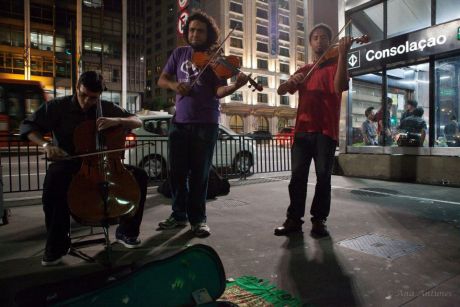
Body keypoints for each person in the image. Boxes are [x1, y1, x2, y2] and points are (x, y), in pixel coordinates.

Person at [20, 71, 148, 266]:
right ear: (77, 88)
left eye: (93, 98)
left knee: (140, 175)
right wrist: (46, 146)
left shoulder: (105, 107)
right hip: (69, 162)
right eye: (83, 95)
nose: (87, 101)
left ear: (100, 95)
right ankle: (57, 244)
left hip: (103, 162)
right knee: (54, 180)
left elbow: (137, 121)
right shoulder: (57, 106)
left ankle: (127, 233)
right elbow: (28, 126)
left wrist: (118, 121)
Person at [156, 10, 249, 237]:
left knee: (200, 175)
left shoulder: (216, 58)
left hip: (206, 124)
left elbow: (218, 91)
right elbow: (162, 79)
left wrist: (236, 86)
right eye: (192, 30)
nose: (195, 34)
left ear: (208, 34)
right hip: (179, 122)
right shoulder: (179, 53)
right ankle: (178, 215)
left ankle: (198, 220)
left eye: (200, 30)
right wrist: (175, 86)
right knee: (177, 173)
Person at [273, 23, 352, 238]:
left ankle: (319, 221)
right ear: (310, 43)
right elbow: (282, 91)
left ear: (330, 41)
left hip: (326, 131)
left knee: (323, 179)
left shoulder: (337, 65)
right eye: (315, 37)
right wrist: (289, 81)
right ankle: (293, 220)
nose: (319, 40)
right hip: (302, 131)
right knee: (296, 178)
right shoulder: (305, 70)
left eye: (324, 37)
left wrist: (343, 55)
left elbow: (340, 87)